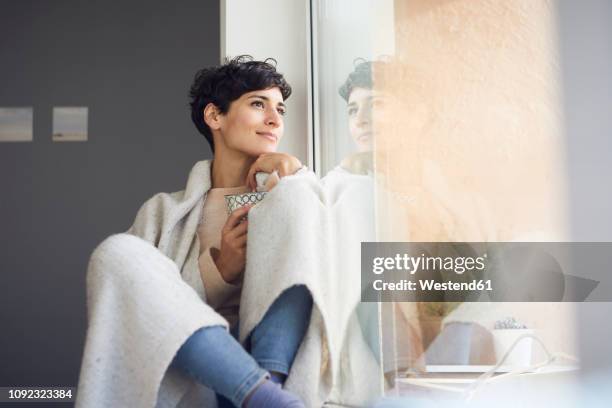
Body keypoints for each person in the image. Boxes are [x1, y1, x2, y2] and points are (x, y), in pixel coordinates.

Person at [163, 56, 314, 408]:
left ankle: (267, 387)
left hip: (277, 365)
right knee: (116, 253)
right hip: (204, 375)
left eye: (280, 109)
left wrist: (298, 174)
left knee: (297, 199)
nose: (275, 120)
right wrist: (219, 271)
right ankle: (259, 393)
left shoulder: (294, 192)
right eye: (258, 104)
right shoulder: (163, 212)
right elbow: (151, 310)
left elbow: (331, 266)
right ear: (215, 116)